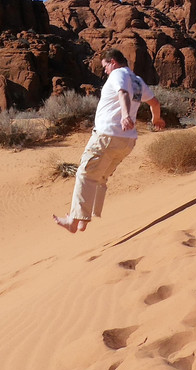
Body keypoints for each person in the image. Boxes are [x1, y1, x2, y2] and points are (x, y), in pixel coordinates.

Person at [54, 49, 166, 233]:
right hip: (127, 141)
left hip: (107, 135)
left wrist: (124, 116)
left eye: (105, 66)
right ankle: (83, 220)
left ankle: (73, 221)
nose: (105, 71)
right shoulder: (137, 80)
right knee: (100, 176)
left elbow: (122, 92)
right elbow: (155, 103)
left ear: (113, 62)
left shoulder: (117, 74)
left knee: (85, 173)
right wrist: (156, 119)